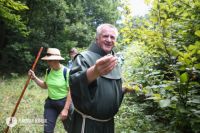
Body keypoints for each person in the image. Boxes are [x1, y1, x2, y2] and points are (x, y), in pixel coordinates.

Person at [68, 23, 126, 133]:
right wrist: (95, 71)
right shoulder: (83, 57)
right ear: (97, 38)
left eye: (112, 37)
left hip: (108, 124)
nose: (109, 40)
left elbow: (108, 90)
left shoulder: (114, 61)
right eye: (105, 36)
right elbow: (74, 83)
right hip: (88, 124)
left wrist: (124, 89)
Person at [28, 48, 73, 133]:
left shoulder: (66, 72)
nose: (47, 62)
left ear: (56, 60)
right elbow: (45, 85)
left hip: (64, 103)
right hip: (50, 103)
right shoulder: (48, 71)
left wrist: (66, 109)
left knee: (70, 129)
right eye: (47, 60)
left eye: (49, 60)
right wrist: (34, 78)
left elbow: (71, 91)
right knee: (47, 130)